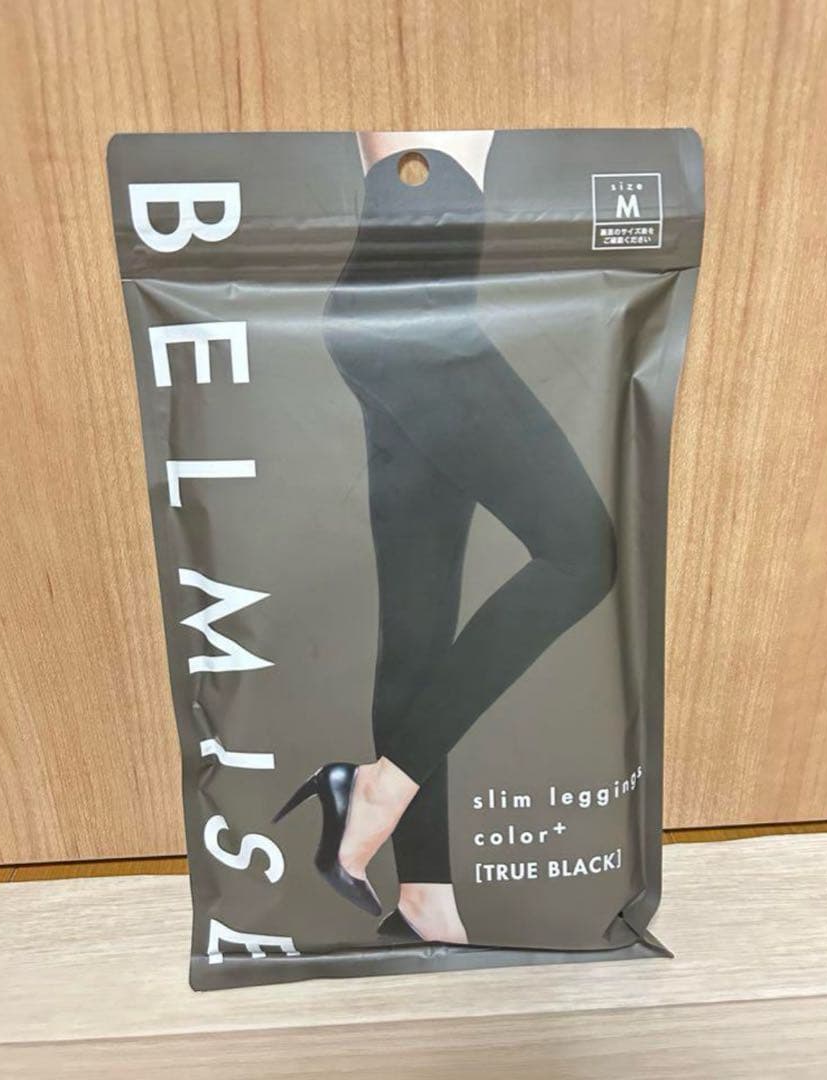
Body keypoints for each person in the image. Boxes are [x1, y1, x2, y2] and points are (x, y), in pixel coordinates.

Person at [274, 130, 616, 946]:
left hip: (402, 316)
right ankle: (377, 790)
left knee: (418, 633)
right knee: (581, 554)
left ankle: (424, 902)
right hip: (416, 323)